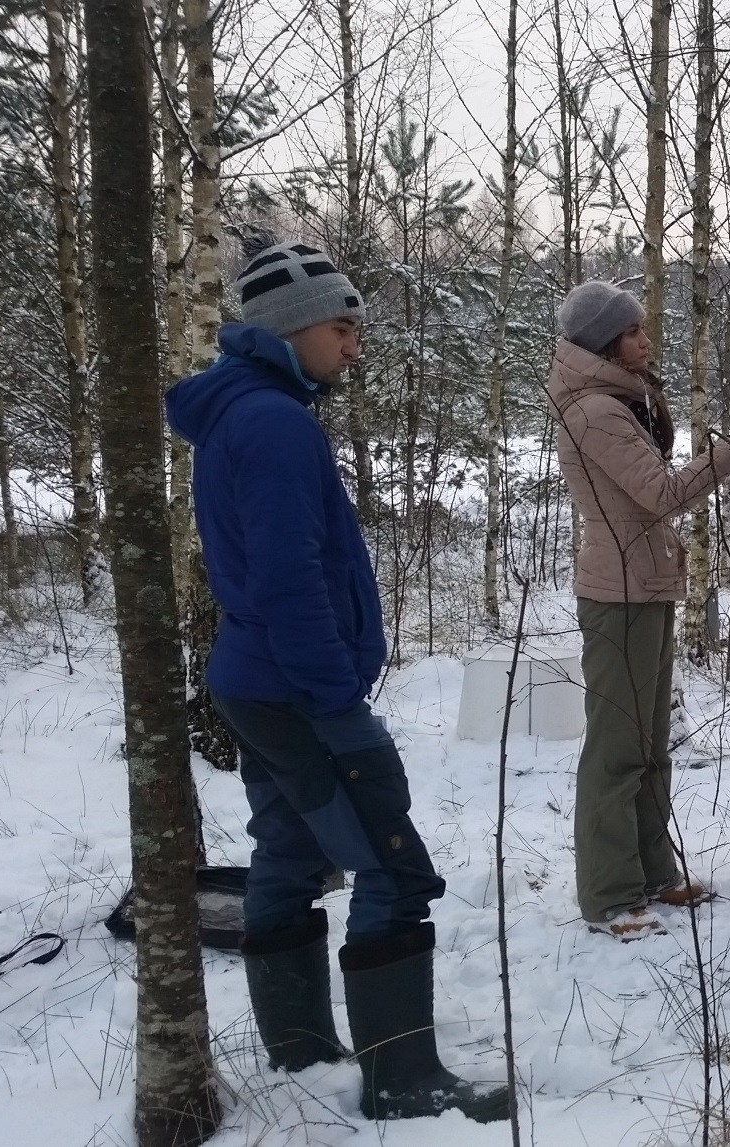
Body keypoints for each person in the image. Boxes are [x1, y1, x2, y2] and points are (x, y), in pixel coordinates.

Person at [165, 238, 511, 1122]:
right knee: (393, 866)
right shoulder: (273, 422)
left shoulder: (245, 409)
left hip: (257, 680)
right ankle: (403, 1079)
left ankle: (301, 1053)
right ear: (291, 328)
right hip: (296, 689)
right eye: (342, 328)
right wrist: (335, 696)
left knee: (288, 851)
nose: (355, 346)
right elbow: (289, 577)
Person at [546, 281, 730, 941]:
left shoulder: (619, 399)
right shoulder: (597, 411)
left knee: (650, 745)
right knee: (618, 750)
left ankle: (653, 872)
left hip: (645, 583)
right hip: (619, 591)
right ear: (604, 341)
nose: (647, 340)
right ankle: (609, 894)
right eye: (634, 332)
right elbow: (661, 494)